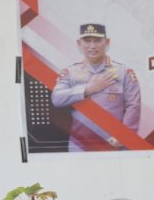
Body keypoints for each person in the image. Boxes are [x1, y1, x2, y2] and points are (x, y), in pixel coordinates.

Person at [52, 23, 141, 152]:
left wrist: (123, 137)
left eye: (97, 40)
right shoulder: (70, 72)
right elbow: (57, 99)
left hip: (114, 143)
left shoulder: (124, 72)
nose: (92, 46)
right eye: (87, 41)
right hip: (80, 144)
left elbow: (133, 105)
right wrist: (88, 89)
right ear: (79, 43)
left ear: (107, 42)